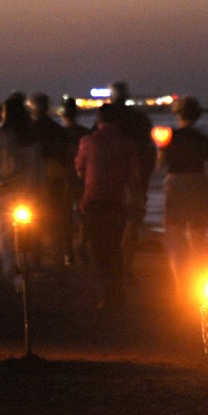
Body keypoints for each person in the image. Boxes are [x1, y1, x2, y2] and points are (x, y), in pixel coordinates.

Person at [75, 103, 141, 309]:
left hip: (94, 202)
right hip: (117, 202)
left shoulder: (88, 141)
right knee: (114, 249)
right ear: (118, 121)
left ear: (98, 120)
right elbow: (134, 174)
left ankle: (108, 294)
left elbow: (79, 169)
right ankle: (118, 293)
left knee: (99, 251)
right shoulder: (127, 143)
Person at [0, 94, 45, 291]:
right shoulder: (31, 136)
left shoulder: (2, 135)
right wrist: (41, 191)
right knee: (26, 234)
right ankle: (25, 271)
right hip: (27, 194)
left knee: (4, 237)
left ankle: (13, 275)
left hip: (3, 193)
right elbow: (39, 166)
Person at [159, 96, 208, 302]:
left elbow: (160, 165)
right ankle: (200, 284)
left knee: (174, 236)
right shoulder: (204, 139)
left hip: (176, 184)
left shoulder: (169, 136)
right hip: (199, 183)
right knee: (198, 237)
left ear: (178, 114)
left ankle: (181, 288)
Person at [108, 81, 156, 279]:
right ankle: (125, 266)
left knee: (112, 223)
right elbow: (149, 148)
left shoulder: (107, 118)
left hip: (111, 178)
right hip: (136, 177)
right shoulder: (139, 118)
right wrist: (145, 175)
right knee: (132, 222)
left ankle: (114, 265)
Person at [28, 92, 74, 266]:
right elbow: (67, 157)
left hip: (34, 182)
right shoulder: (58, 130)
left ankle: (36, 260)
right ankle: (59, 260)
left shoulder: (27, 131)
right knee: (55, 222)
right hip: (54, 181)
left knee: (33, 222)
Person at [60, 96, 91, 264]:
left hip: (66, 179)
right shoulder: (85, 133)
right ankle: (80, 248)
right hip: (81, 179)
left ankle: (69, 251)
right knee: (83, 216)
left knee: (65, 218)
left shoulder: (60, 134)